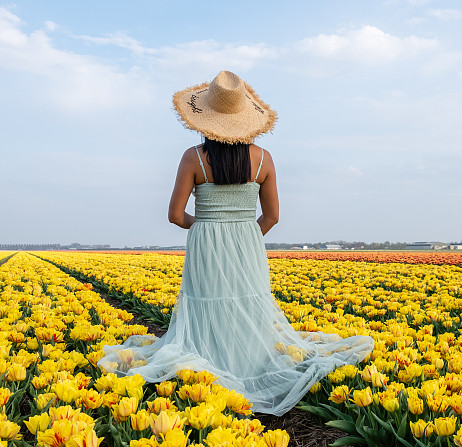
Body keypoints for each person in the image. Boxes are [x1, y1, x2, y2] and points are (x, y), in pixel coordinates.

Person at [98, 70, 374, 415]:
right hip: (248, 240)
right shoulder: (264, 159)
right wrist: (241, 236)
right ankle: (250, 362)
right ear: (247, 121)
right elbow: (271, 216)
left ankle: (208, 362)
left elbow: (174, 214)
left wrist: (209, 228)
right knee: (247, 300)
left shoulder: (193, 158)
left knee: (208, 299)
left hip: (206, 240)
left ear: (204, 119)